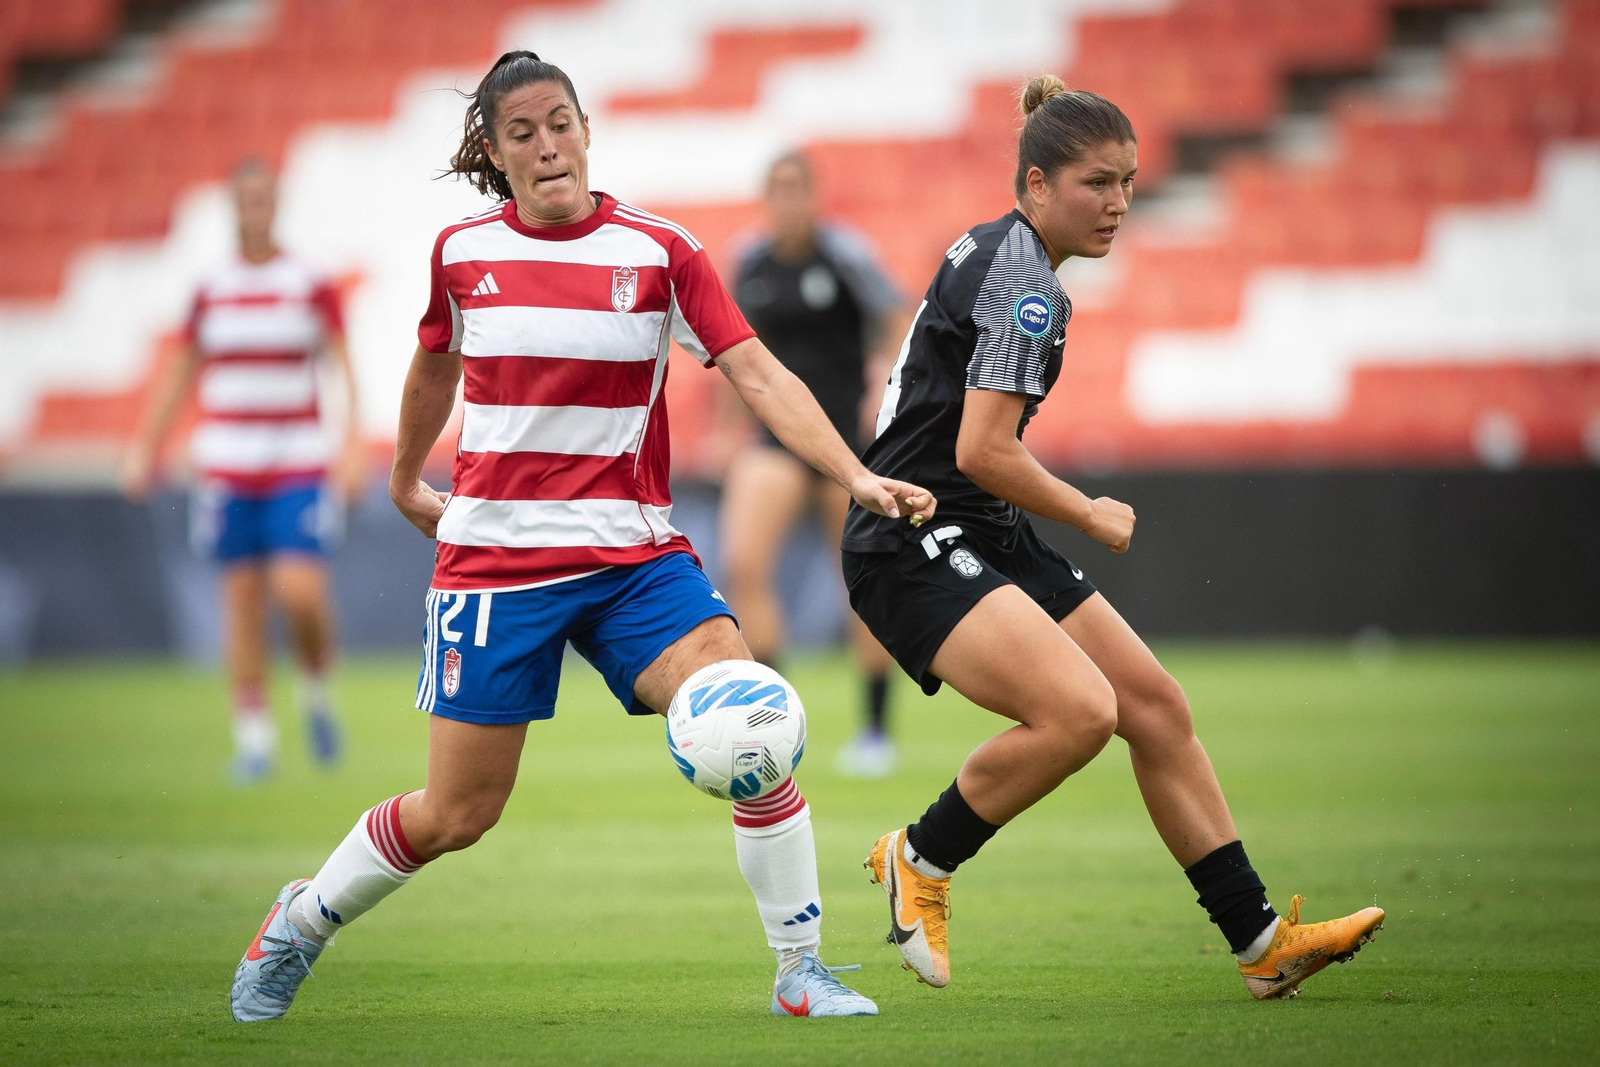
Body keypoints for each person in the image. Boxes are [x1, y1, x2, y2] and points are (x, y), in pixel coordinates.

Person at [227, 51, 935, 1023]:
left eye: (560, 122)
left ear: (586, 129)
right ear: (493, 152)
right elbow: (432, 370)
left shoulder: (659, 252)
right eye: (522, 132)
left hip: (632, 557)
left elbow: (758, 374)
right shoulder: (462, 255)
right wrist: (401, 475)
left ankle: (799, 969)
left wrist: (853, 472)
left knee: (752, 721)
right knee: (458, 813)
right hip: (496, 561)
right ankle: (302, 919)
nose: (548, 145)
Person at [845, 75, 1385, 999]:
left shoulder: (1006, 250)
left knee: (1155, 707)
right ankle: (919, 858)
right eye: (1098, 184)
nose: (1120, 204)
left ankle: (1259, 943)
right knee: (1081, 713)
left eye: (1129, 182)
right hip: (915, 532)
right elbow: (980, 450)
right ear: (1037, 183)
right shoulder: (1023, 281)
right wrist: (1088, 510)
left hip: (976, 525)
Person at [123, 158, 361, 784]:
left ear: (275, 205)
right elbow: (181, 368)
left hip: (295, 461)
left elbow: (340, 363)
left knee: (300, 592)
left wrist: (351, 445)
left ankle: (316, 694)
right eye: (244, 201)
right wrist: (145, 446)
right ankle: (254, 739)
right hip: (227, 467)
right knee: (241, 602)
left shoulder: (308, 281)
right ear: (233, 207)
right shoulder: (211, 287)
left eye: (263, 200)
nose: (253, 211)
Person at [722, 150, 907, 778]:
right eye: (777, 188)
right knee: (744, 564)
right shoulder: (748, 261)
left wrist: (884, 380)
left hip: (843, 445)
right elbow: (728, 347)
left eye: (798, 188)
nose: (788, 200)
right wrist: (726, 426)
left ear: (815, 195)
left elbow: (896, 315)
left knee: (859, 582)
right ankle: (775, 722)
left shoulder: (845, 254)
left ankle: (877, 730)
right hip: (774, 441)